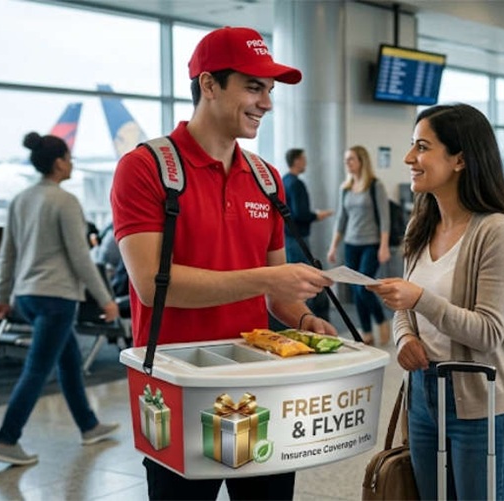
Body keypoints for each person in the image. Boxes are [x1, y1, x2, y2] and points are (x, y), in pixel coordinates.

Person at [110, 26, 334, 500]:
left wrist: (308, 321)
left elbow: (276, 295)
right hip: (177, 391)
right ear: (209, 85)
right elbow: (153, 285)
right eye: (254, 87)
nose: (267, 103)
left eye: (270, 90)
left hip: (258, 389)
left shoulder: (266, 178)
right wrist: (270, 277)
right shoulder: (146, 168)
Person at [366, 103, 504, 500]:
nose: (409, 159)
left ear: (460, 159)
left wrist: (420, 299)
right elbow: (405, 302)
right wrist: (404, 339)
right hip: (423, 396)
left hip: (481, 405)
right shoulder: (421, 224)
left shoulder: (497, 232)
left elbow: (488, 332)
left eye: (422, 147)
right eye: (412, 146)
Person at [0, 132, 121, 466]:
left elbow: (8, 253)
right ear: (59, 162)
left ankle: (89, 425)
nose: (72, 162)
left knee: (68, 361)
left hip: (28, 295)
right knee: (37, 370)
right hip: (56, 296)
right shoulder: (64, 201)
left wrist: (2, 296)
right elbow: (81, 258)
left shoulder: (21, 199)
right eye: (70, 157)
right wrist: (105, 298)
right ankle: (7, 439)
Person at [327, 145, 391, 345]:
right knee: (356, 290)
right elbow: (341, 219)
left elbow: (384, 217)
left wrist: (384, 246)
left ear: (362, 162)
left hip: (371, 244)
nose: (347, 163)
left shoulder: (375, 185)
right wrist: (333, 246)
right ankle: (367, 332)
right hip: (351, 244)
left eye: (351, 159)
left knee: (364, 288)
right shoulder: (345, 189)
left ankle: (381, 321)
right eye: (346, 159)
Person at [282, 148, 333, 265]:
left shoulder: (284, 180)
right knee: (302, 272)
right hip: (298, 237)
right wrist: (317, 216)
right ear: (296, 161)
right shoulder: (296, 184)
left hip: (287, 234)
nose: (306, 162)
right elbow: (300, 214)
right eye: (304, 159)